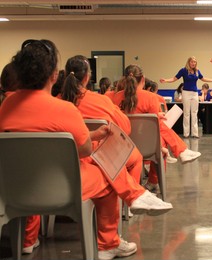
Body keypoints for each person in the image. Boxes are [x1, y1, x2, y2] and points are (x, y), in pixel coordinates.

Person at [0, 39, 136, 260]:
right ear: (54, 75)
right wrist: (93, 139)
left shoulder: (6, 106)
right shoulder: (65, 109)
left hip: (14, 190)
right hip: (62, 191)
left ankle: (26, 240)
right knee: (108, 175)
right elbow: (82, 150)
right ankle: (108, 243)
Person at [60, 54, 173, 217]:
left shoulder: (57, 102)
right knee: (131, 158)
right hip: (90, 161)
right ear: (87, 77)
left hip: (57, 166)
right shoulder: (101, 101)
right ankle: (128, 205)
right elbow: (125, 127)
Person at [108, 64, 201, 191]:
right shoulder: (151, 97)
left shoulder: (113, 97)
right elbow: (156, 128)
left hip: (121, 143)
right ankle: (154, 179)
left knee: (159, 129)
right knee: (160, 132)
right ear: (143, 79)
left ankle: (180, 151)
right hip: (146, 146)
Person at [160, 56, 212, 138]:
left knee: (194, 113)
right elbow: (174, 78)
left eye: (195, 62)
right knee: (186, 113)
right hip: (186, 93)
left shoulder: (197, 71)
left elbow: (203, 79)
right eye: (192, 62)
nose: (193, 63)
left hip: (195, 93)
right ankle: (186, 133)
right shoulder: (183, 70)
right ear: (189, 62)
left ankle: (195, 133)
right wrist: (166, 80)